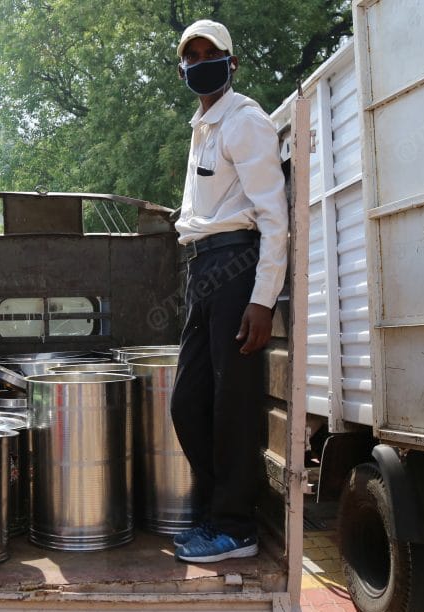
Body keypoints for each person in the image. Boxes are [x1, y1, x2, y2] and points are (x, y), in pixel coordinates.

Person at [169, 19, 288, 563]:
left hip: (237, 266)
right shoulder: (203, 128)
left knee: (232, 402)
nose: (200, 62)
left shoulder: (245, 122)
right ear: (182, 69)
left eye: (209, 53)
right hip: (202, 271)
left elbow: (273, 217)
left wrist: (262, 299)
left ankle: (234, 526)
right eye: (191, 56)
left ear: (231, 62)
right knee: (189, 403)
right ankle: (223, 509)